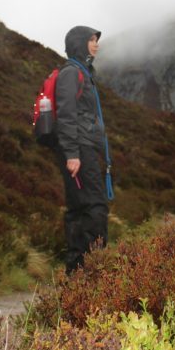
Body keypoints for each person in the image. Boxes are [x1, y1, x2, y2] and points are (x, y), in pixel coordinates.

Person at [54, 25, 113, 273]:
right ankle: (92, 268)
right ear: (79, 43)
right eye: (91, 40)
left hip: (84, 148)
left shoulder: (83, 73)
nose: (96, 44)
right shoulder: (71, 74)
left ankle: (77, 272)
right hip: (79, 150)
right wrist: (72, 154)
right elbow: (66, 115)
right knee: (94, 206)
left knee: (79, 208)